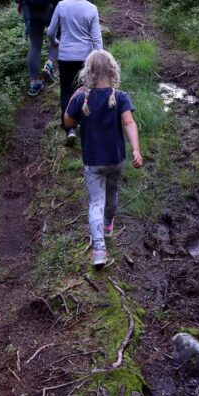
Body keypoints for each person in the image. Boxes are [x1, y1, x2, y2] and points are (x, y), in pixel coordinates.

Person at [64, 50, 143, 268]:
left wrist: (72, 97)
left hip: (93, 162)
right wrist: (136, 150)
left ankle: (99, 249)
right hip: (115, 159)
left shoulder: (81, 97)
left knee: (96, 202)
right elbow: (129, 123)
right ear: (112, 71)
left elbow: (68, 122)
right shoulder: (120, 96)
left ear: (87, 73)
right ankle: (108, 226)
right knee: (112, 191)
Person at [47, 0, 103, 147]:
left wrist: (56, 42)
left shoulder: (61, 6)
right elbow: (97, 39)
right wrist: (98, 57)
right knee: (86, 90)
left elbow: (50, 31)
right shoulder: (92, 9)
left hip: (65, 56)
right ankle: (86, 124)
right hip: (85, 58)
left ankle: (69, 128)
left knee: (66, 92)